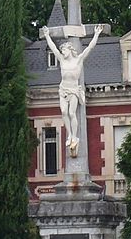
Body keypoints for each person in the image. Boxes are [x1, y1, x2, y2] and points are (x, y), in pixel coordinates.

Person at [40, 24, 102, 157]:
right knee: (63, 112)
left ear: (70, 50)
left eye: (65, 50)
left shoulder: (78, 60)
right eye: (62, 51)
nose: (62, 52)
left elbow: (90, 47)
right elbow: (52, 47)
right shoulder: (62, 60)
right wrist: (46, 35)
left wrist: (96, 34)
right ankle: (70, 135)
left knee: (72, 113)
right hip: (63, 89)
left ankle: (75, 136)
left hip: (74, 89)